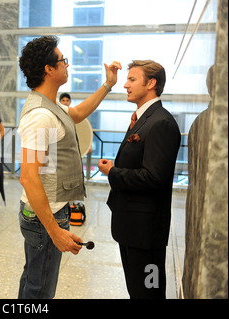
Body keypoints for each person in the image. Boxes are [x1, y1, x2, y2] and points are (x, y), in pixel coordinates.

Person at [17, 35, 121, 299]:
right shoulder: (40, 116)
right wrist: (55, 232)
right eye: (63, 60)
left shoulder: (54, 107)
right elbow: (28, 178)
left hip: (48, 209)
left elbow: (78, 114)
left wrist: (108, 85)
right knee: (39, 289)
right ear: (48, 70)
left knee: (34, 279)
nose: (67, 65)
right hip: (45, 215)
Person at [98, 60, 181, 299]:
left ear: (151, 83)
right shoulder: (144, 118)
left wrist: (112, 172)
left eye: (132, 79)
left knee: (149, 292)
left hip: (146, 233)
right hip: (132, 227)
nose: (125, 85)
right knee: (138, 291)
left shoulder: (160, 122)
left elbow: (154, 177)